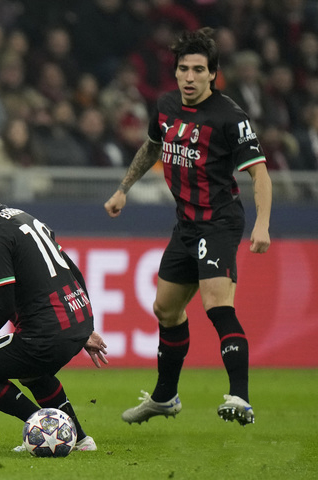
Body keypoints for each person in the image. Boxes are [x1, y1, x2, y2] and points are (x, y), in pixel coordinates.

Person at [104, 28, 272, 426]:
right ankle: (164, 398)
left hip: (220, 221)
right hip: (185, 224)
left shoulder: (230, 117)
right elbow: (152, 146)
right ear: (176, 73)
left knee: (217, 304)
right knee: (165, 309)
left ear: (213, 74)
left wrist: (262, 224)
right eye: (184, 69)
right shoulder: (165, 106)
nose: (190, 77)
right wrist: (123, 188)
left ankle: (240, 397)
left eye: (199, 70)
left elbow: (260, 174)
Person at [0, 162, 109, 452]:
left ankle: (45, 429)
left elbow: (4, 305)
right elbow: (70, 269)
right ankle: (79, 438)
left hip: (46, 335)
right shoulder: (22, 216)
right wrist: (86, 328)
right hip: (74, 323)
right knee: (30, 370)